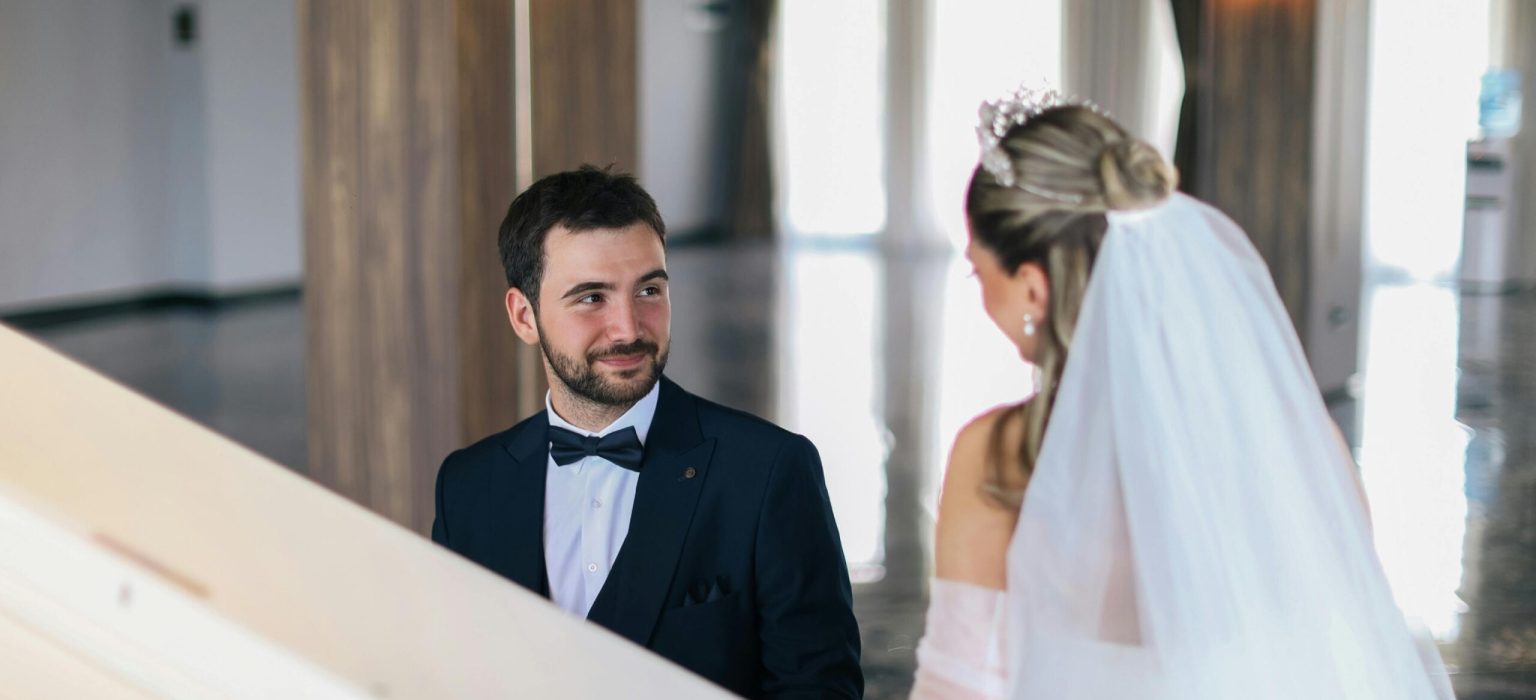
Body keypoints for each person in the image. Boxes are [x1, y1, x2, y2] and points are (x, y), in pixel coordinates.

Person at [911, 87, 1453, 698]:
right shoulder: (1307, 446)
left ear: (1034, 289)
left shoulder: (999, 459)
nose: (981, 296)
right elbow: (1348, 651)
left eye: (978, 272)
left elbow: (955, 691)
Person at [431, 166, 863, 699]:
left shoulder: (769, 471)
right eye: (592, 297)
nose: (630, 328)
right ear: (524, 316)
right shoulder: (467, 487)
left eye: (649, 290)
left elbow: (819, 689)